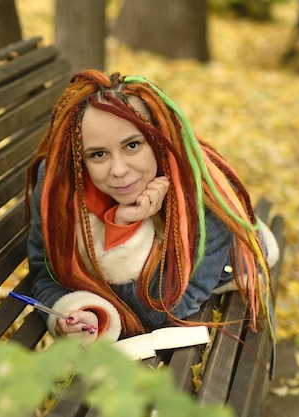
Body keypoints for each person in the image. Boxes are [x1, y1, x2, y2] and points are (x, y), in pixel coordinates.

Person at [26, 70, 279, 344]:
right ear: (78, 156)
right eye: (98, 154)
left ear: (157, 139)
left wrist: (124, 228)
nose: (119, 170)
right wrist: (78, 312)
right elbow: (45, 273)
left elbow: (161, 312)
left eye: (132, 145)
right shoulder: (57, 182)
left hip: (230, 267)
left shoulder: (204, 198)